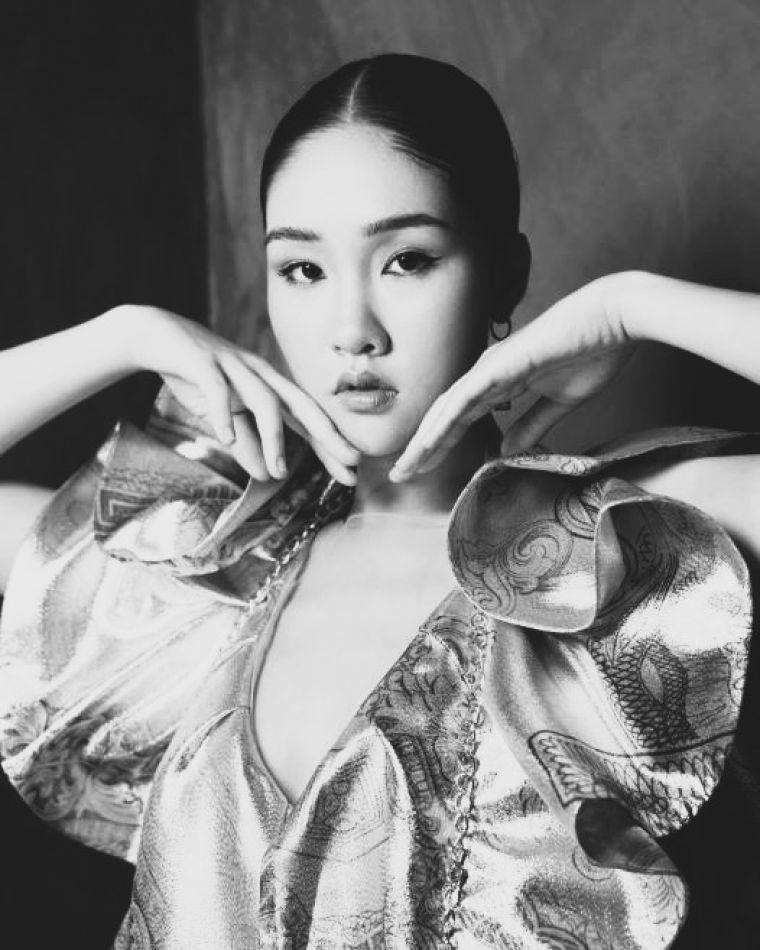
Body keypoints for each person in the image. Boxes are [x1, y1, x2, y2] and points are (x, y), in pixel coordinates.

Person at [0, 53, 758, 949]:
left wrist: (636, 307)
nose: (351, 329)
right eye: (302, 270)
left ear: (504, 274)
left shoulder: (620, 546)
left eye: (406, 260)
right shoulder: (200, 569)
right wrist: (120, 337)